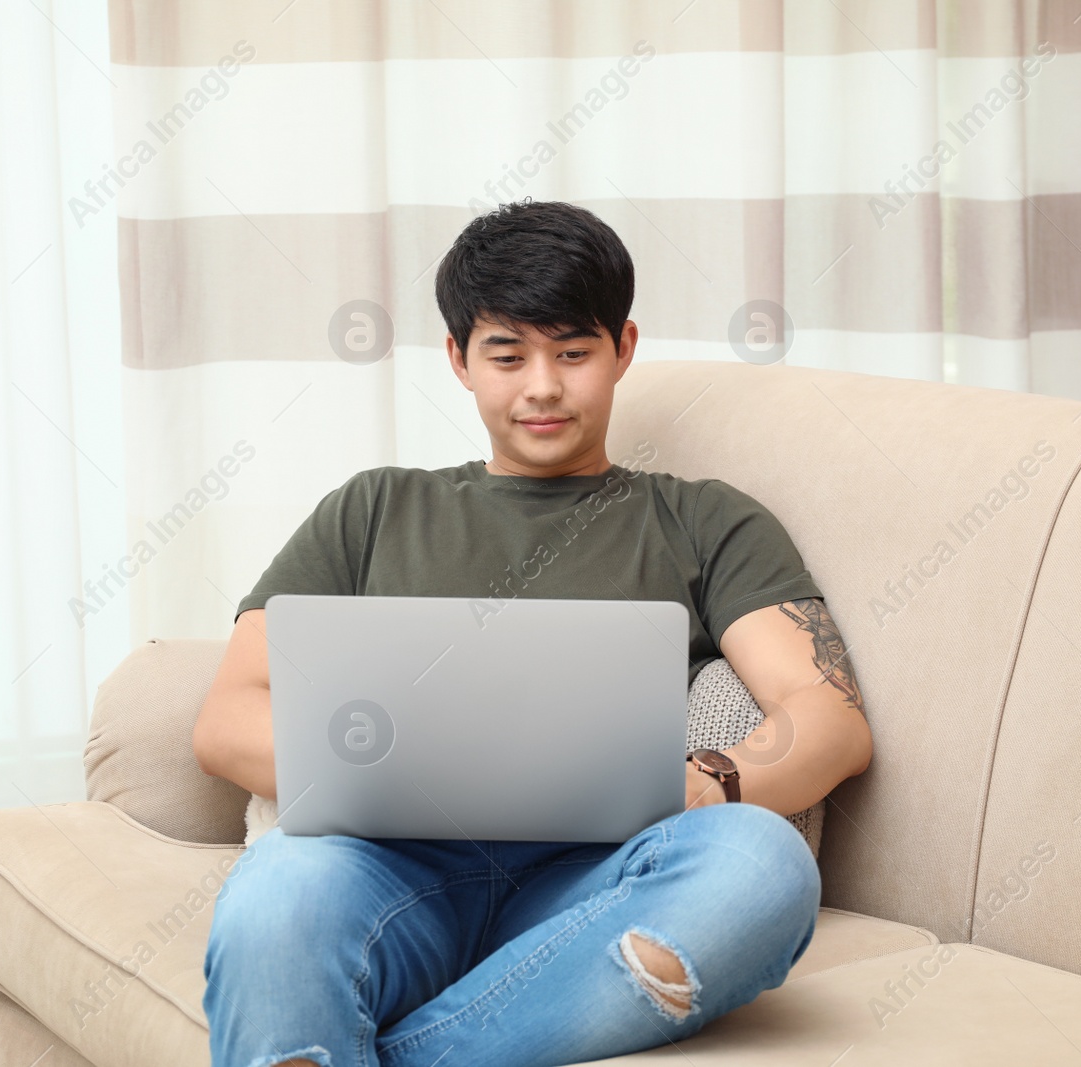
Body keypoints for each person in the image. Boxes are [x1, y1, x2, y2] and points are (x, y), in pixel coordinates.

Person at [191, 199, 873, 1067]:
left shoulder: (704, 521)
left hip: (600, 889)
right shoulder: (372, 510)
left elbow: (827, 713)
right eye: (507, 355)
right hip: (389, 876)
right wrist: (432, 771)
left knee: (764, 866)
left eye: (575, 353)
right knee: (275, 894)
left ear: (623, 350)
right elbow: (227, 718)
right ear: (459, 361)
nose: (543, 386)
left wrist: (705, 783)